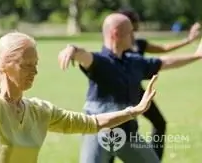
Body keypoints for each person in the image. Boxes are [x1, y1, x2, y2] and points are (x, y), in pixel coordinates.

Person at [0, 32, 158, 163]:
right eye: (26, 65)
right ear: (4, 65)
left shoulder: (39, 111)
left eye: (35, 64)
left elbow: (92, 122)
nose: (34, 72)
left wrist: (134, 110)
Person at [58, 13, 202, 163]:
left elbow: (165, 62)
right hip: (98, 136)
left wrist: (197, 56)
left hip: (127, 135)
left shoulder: (134, 62)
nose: (134, 36)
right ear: (116, 34)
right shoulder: (100, 62)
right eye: (130, 32)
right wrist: (72, 50)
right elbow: (83, 56)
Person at [117, 8, 201, 161]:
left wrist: (189, 40)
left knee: (159, 123)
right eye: (134, 21)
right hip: (120, 93)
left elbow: (163, 50)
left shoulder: (139, 44)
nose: (137, 25)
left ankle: (154, 158)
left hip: (137, 91)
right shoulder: (118, 46)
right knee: (118, 131)